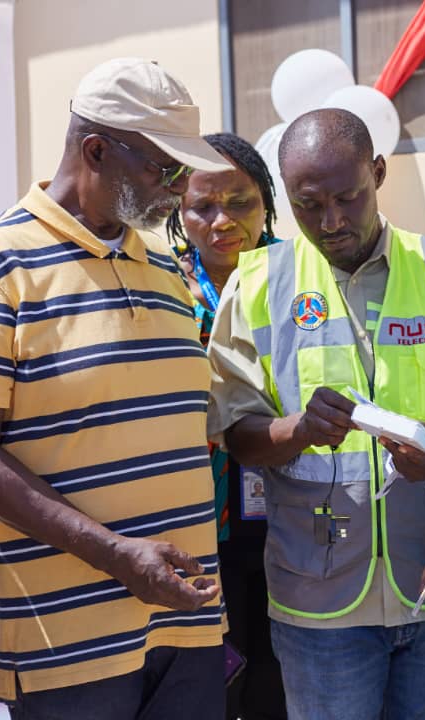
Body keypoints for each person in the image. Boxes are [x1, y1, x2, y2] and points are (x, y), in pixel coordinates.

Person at [0, 58, 232, 719]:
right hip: (65, 642)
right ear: (95, 150)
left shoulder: (168, 274)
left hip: (187, 623)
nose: (178, 189)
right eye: (162, 167)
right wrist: (115, 555)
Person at [206, 108, 425, 720]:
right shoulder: (256, 284)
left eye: (347, 198)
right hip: (319, 606)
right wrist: (296, 430)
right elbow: (235, 430)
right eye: (308, 205)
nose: (330, 222)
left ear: (377, 173)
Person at [166, 132, 288, 720]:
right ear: (178, 212)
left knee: (282, 682)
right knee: (217, 683)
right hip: (199, 522)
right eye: (202, 206)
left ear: (266, 202)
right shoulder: (159, 287)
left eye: (240, 202)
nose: (222, 221)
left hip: (300, 513)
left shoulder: (304, 281)